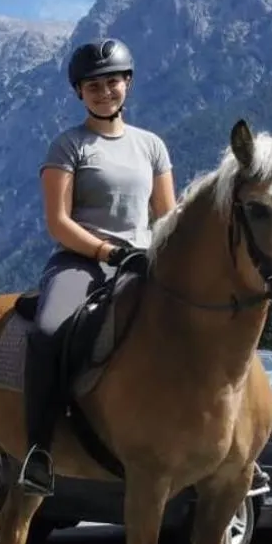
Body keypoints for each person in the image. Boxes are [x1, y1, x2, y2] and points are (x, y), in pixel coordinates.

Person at [18, 38, 174, 497]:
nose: (104, 91)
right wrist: (107, 252)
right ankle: (38, 452)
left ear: (127, 83)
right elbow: (58, 222)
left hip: (146, 260)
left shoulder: (152, 146)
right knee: (48, 331)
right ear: (79, 93)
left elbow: (167, 216)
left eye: (112, 82)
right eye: (93, 86)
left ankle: (234, 448)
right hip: (82, 261)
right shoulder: (68, 145)